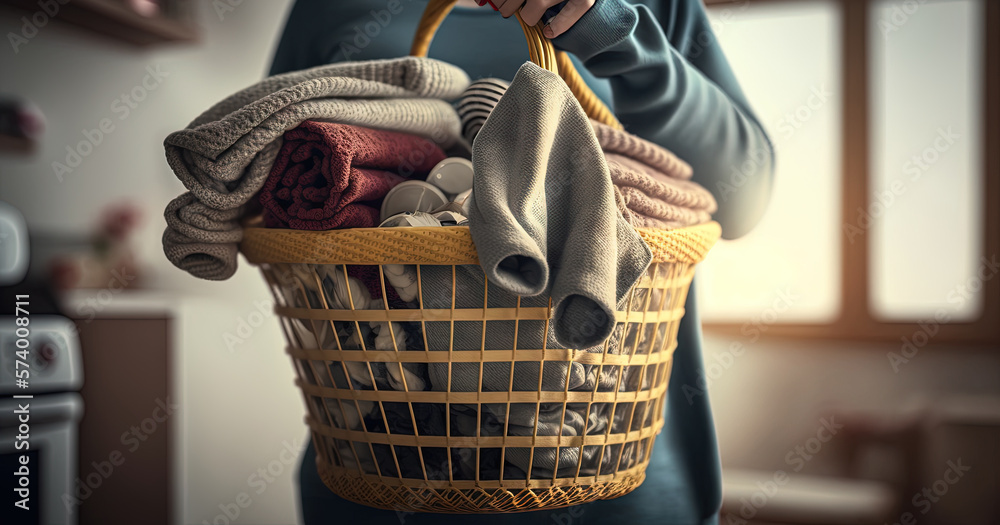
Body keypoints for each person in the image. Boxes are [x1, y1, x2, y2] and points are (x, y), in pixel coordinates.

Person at [268, 1, 774, 523]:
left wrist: (617, 33)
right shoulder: (327, 7)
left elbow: (743, 199)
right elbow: (270, 179)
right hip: (377, 461)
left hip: (612, 461)